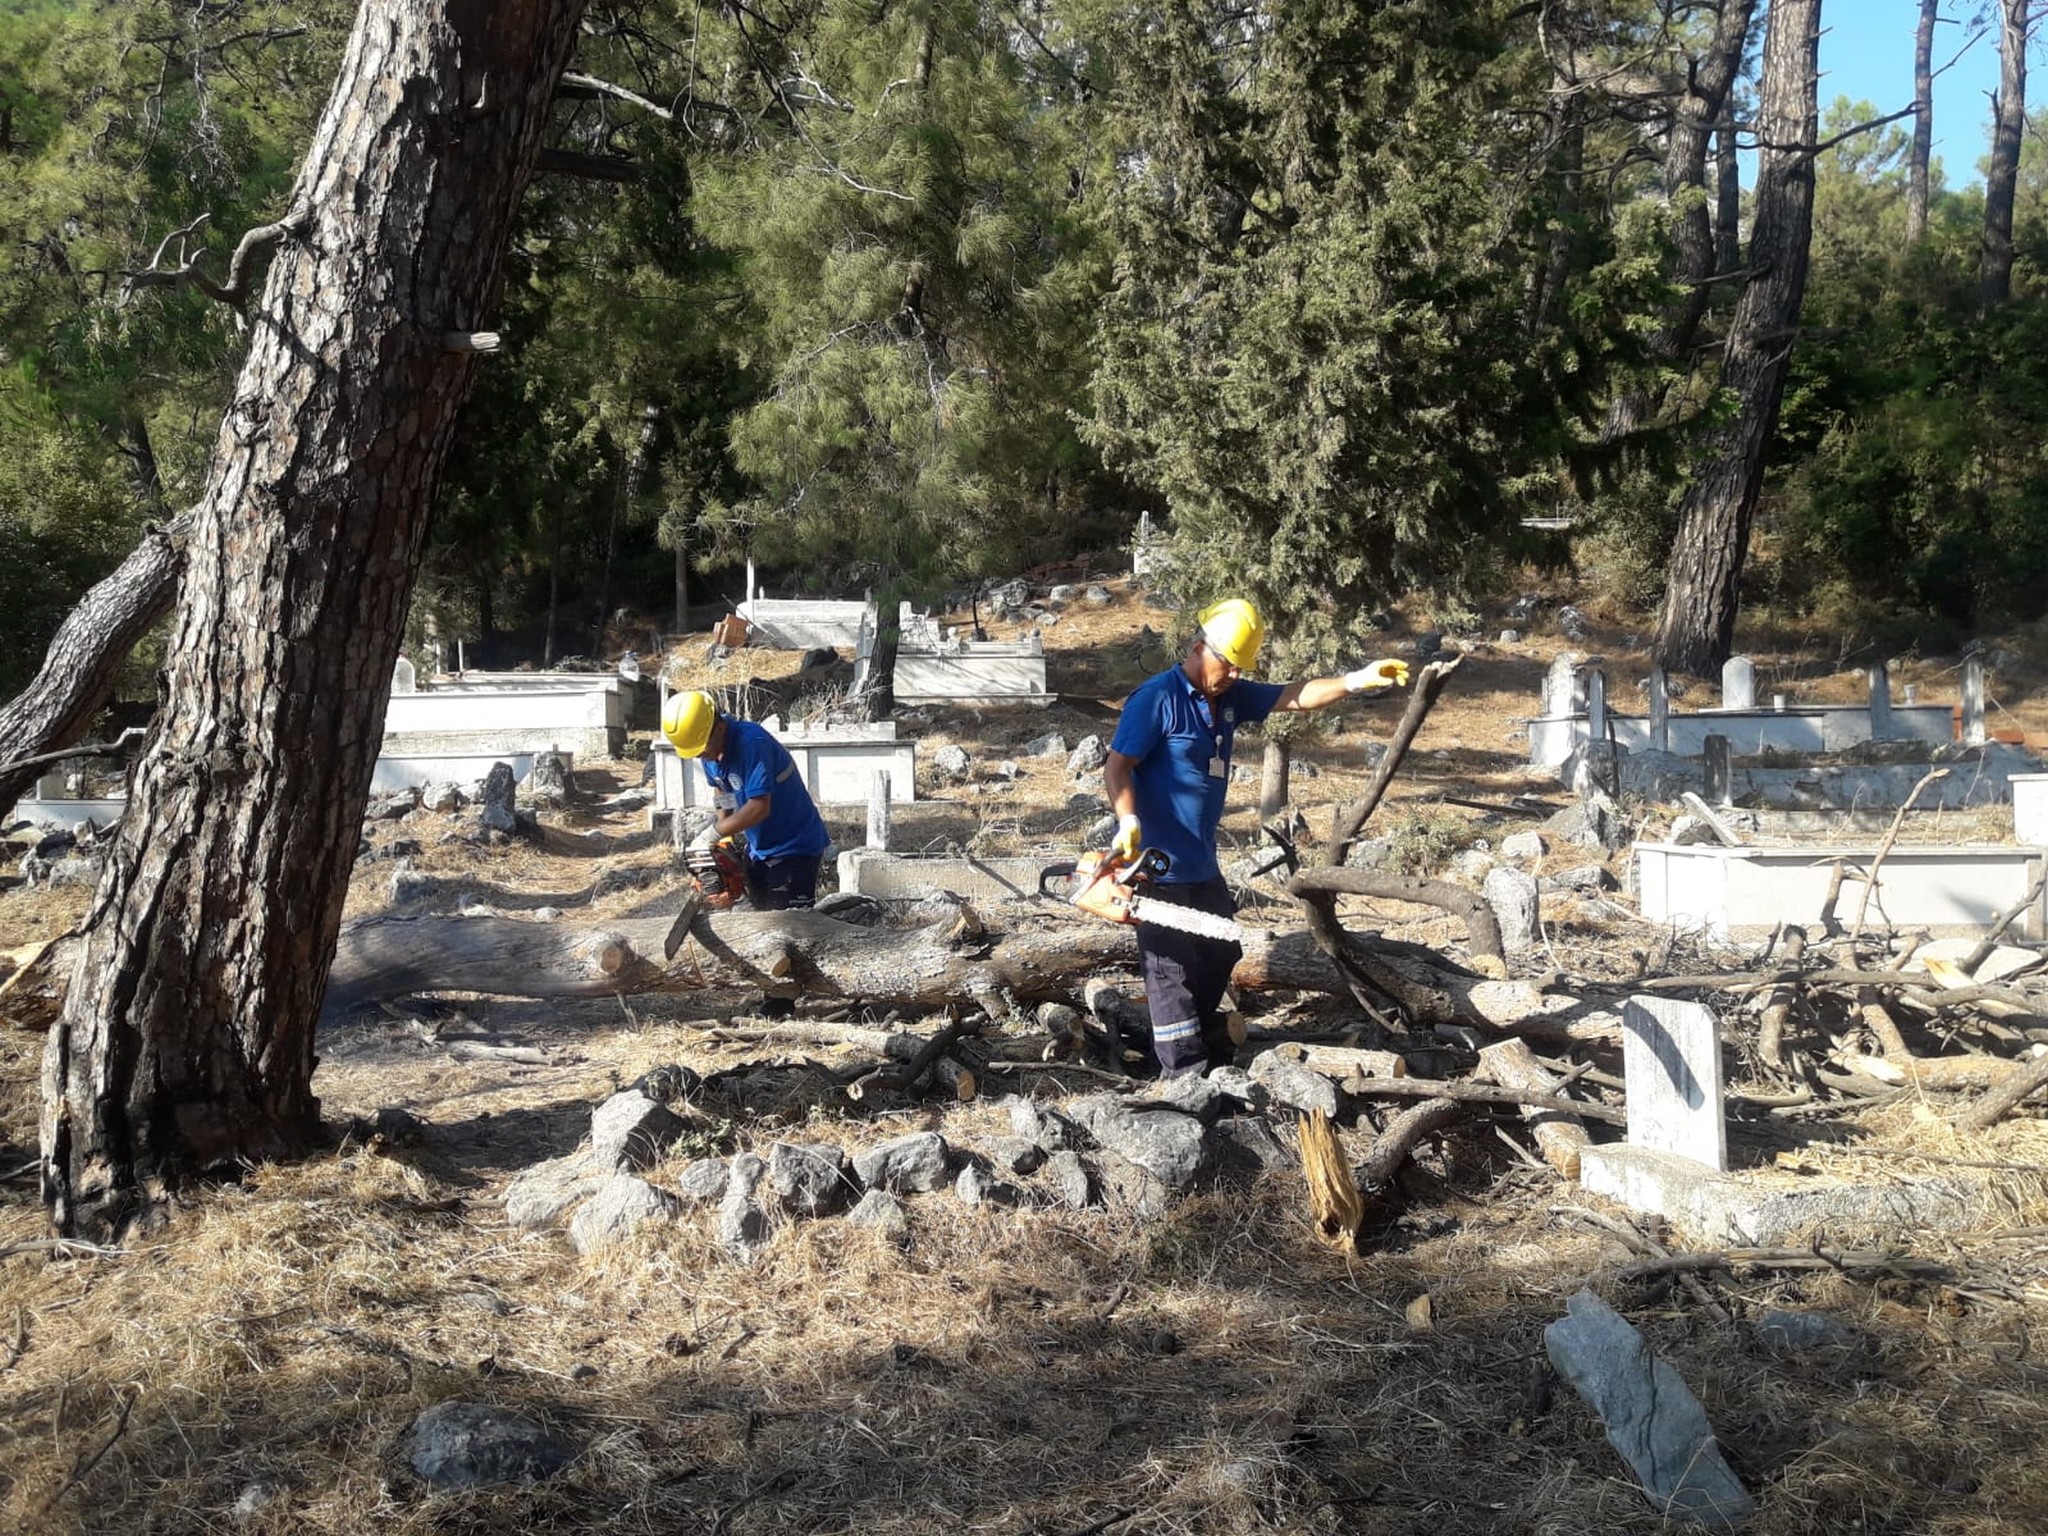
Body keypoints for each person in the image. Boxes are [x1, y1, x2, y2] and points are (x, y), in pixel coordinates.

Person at [1103, 598, 1409, 1078]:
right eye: (1227, 663)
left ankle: (1200, 1044)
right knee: (1170, 970)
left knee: (1223, 949)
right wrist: (1126, 820)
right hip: (1157, 868)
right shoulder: (1157, 698)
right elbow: (1118, 766)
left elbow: (1295, 695)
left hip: (1201, 864)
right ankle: (1184, 1079)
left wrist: (1356, 680)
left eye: (1239, 668)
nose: (1232, 675)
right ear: (1200, 647)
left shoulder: (1229, 698)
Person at [661, 690, 831, 913]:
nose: (700, 756)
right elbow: (722, 791)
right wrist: (724, 838)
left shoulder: (752, 743)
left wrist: (711, 834)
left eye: (702, 749)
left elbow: (759, 807)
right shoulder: (711, 752)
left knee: (790, 926)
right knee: (759, 916)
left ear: (719, 728)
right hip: (759, 848)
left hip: (794, 846)